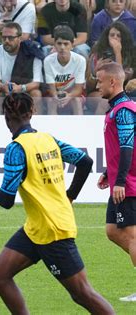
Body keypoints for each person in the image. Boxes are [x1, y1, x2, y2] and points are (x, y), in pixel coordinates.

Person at [0, 92, 115, 314]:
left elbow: (6, 200)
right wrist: (70, 195)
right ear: (32, 113)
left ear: (6, 118)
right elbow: (85, 162)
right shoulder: (48, 139)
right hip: (36, 227)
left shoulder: (16, 149)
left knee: (83, 293)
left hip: (52, 230)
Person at [96, 62, 136, 302]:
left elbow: (128, 147)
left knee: (131, 235)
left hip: (128, 184)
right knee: (113, 231)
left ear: (113, 81)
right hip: (121, 180)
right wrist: (108, 172)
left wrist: (119, 180)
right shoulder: (116, 109)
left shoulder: (123, 110)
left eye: (100, 80)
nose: (97, 85)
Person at [0, 22, 44, 114]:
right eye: (4, 37)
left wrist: (20, 88)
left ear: (20, 38)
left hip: (25, 90)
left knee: (36, 94)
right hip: (4, 90)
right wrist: (2, 87)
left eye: (11, 38)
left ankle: (35, 126)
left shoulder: (32, 52)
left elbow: (36, 83)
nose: (6, 41)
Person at [86, 22, 135, 114]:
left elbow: (121, 80)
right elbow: (88, 86)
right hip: (97, 92)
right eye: (112, 35)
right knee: (105, 101)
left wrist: (117, 53)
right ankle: (102, 127)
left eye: (118, 35)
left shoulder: (130, 54)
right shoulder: (97, 52)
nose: (115, 38)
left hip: (122, 92)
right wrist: (95, 72)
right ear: (107, 37)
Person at [43, 25, 86, 115]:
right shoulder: (48, 61)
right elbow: (51, 88)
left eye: (66, 44)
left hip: (73, 93)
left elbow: (78, 89)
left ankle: (80, 128)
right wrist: (56, 96)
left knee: (77, 101)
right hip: (55, 92)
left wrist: (69, 96)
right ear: (54, 44)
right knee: (52, 101)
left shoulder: (80, 60)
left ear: (72, 45)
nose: (62, 47)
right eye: (59, 43)